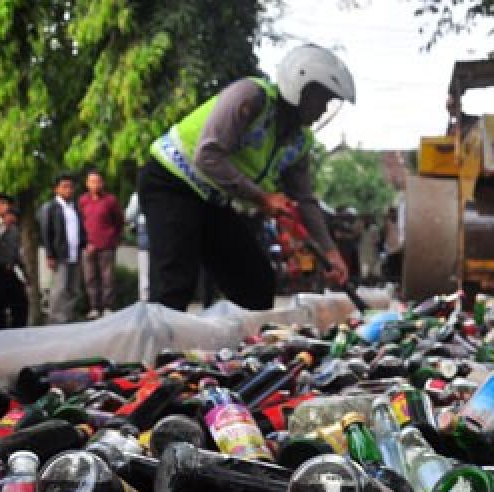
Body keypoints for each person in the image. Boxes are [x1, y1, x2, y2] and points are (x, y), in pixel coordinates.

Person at [138, 44, 354, 311]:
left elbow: (305, 200)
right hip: (172, 182)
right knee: (175, 282)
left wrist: (330, 251)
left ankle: (250, 350)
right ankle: (159, 350)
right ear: (300, 87)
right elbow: (207, 156)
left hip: (212, 197)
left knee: (256, 283)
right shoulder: (251, 96)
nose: (323, 110)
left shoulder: (299, 141)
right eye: (321, 99)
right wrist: (262, 197)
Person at [78, 169, 124, 318]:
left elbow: (119, 221)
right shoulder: (83, 200)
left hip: (107, 245)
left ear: (102, 183)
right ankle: (94, 307)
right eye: (92, 182)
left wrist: (114, 238)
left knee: (107, 277)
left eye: (97, 181)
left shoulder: (110, 200)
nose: (95, 184)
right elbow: (80, 222)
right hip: (88, 246)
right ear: (87, 184)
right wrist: (85, 242)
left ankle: (108, 307)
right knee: (90, 278)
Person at [41, 173, 86, 324]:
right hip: (59, 255)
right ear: (56, 189)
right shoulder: (51, 208)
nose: (68, 190)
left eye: (70, 187)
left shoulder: (74, 208)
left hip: (75, 254)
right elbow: (46, 232)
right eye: (64, 187)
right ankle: (55, 319)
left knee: (73, 289)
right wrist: (50, 255)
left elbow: (80, 229)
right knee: (59, 289)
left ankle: (67, 317)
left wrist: (83, 245)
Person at [0, 205, 28, 329]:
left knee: (20, 302)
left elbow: (16, 252)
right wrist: (4, 228)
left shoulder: (15, 230)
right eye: (11, 216)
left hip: (8, 269)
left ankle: (18, 330)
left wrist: (25, 272)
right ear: (5, 216)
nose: (13, 220)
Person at [125, 191, 149, 302]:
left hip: (145, 232)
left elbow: (129, 215)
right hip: (165, 234)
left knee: (145, 274)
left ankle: (145, 303)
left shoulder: (139, 195)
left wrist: (133, 224)